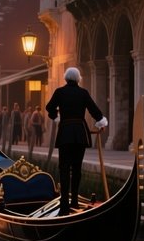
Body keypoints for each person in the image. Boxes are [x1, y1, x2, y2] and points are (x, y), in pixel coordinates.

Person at [45, 67, 108, 215]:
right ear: (78, 78)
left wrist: (57, 117)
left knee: (64, 168)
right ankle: (74, 200)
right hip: (80, 133)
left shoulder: (60, 92)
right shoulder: (83, 93)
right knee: (77, 167)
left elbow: (49, 108)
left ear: (66, 78)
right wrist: (101, 123)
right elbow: (94, 110)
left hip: (66, 132)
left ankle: (64, 203)